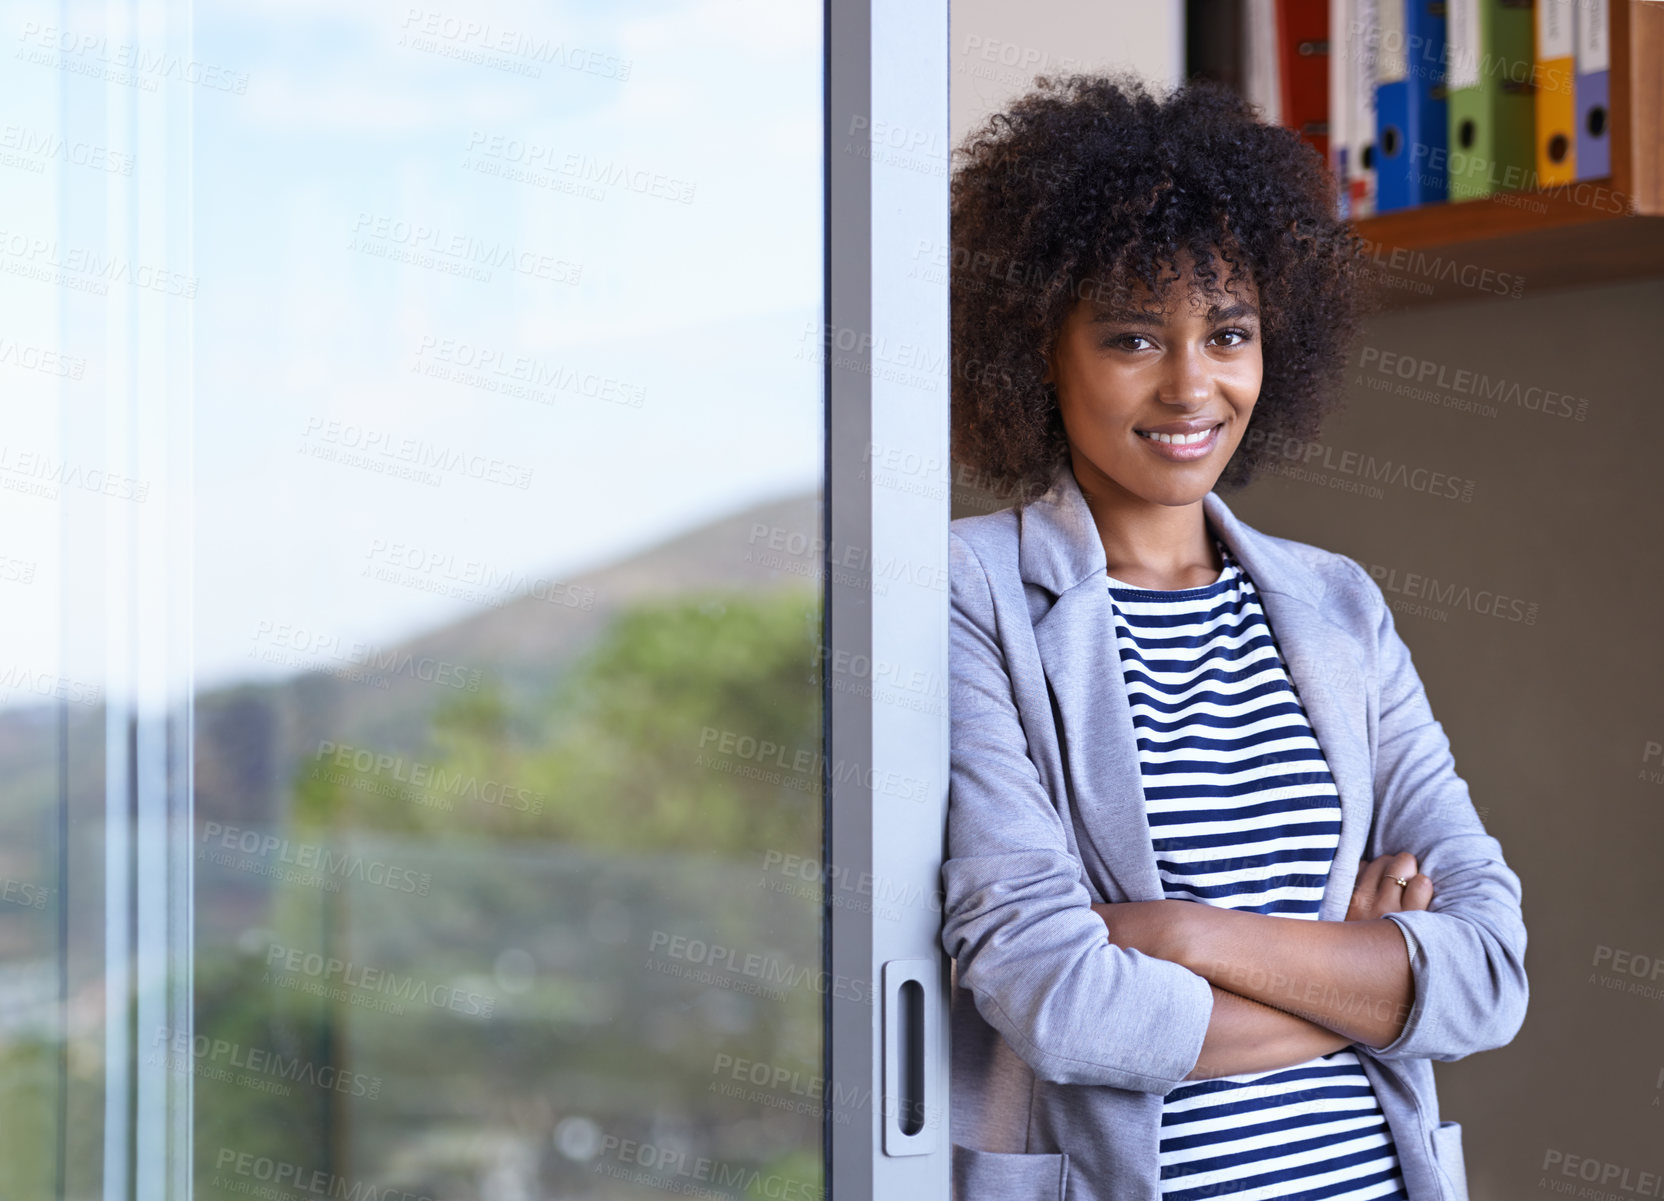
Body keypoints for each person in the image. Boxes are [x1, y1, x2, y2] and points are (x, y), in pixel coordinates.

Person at [941, 72, 1528, 1201]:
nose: (1190, 384)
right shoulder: (970, 593)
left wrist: (1176, 933)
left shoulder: (1338, 604)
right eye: (1129, 336)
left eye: (1227, 332)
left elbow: (1488, 975)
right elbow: (1059, 997)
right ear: (1034, 347)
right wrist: (1360, 989)